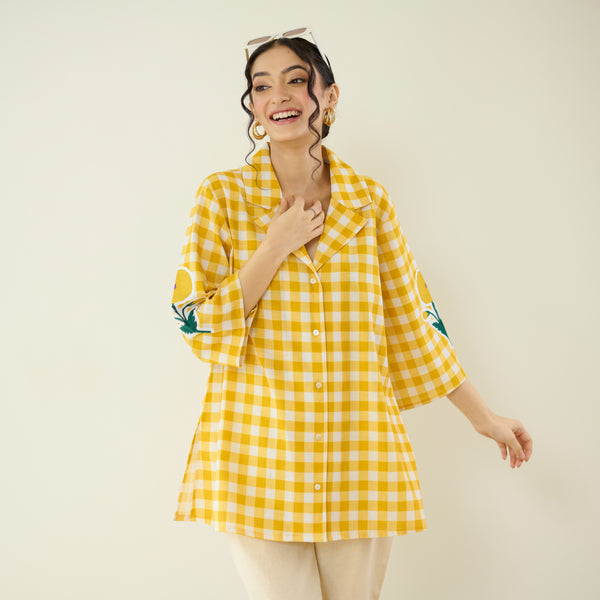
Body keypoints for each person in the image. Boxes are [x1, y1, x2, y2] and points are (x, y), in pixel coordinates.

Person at [170, 28, 533, 600]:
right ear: (254, 107)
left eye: (295, 80)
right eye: (261, 86)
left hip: (358, 451)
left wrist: (484, 418)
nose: (278, 95)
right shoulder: (221, 198)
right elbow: (196, 323)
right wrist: (275, 245)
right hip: (257, 452)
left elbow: (415, 319)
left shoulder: (370, 202)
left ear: (329, 95)